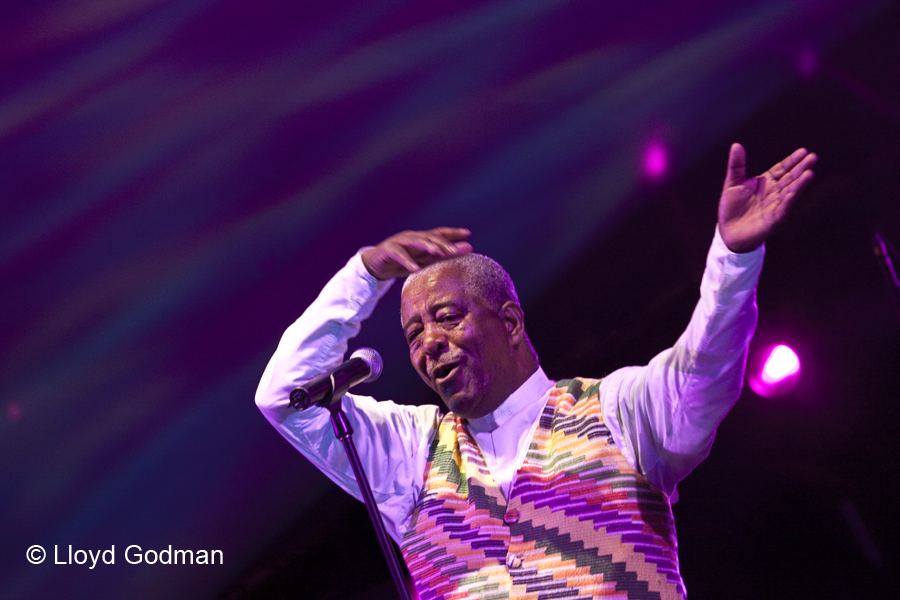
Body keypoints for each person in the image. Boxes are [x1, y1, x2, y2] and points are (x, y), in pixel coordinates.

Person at [256, 143, 817, 599]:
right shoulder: (413, 455)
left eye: (447, 317)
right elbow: (285, 396)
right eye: (412, 335)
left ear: (510, 321)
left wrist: (733, 260)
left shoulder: (615, 410)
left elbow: (704, 368)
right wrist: (364, 273)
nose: (429, 343)